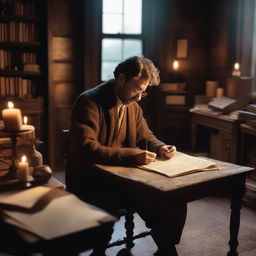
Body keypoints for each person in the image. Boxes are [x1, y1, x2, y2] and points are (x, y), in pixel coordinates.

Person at [67, 56, 187, 256]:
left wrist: (161, 147)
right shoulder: (89, 101)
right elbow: (85, 147)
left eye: (143, 92)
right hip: (92, 180)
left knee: (168, 198)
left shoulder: (132, 105)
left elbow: (146, 136)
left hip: (124, 179)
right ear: (121, 79)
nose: (139, 97)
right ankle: (99, 252)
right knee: (112, 204)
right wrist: (133, 156)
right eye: (137, 89)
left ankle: (166, 249)